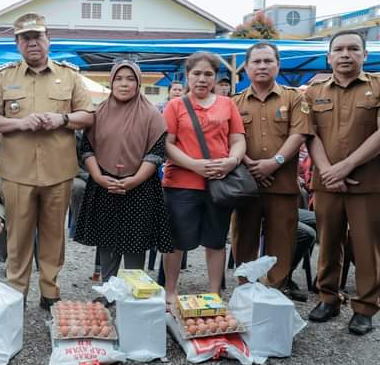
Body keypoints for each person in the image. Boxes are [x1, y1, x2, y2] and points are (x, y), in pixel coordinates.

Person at [0, 13, 94, 309]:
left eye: (37, 37)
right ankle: (16, 293)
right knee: (17, 237)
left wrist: (63, 118)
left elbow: (88, 115)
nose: (32, 43)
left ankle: (50, 292)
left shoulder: (69, 75)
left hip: (58, 172)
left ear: (48, 40)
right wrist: (19, 123)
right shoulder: (4, 76)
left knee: (53, 235)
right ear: (18, 44)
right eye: (25, 38)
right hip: (17, 173)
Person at [306, 30, 380, 335]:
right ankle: (328, 298)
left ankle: (364, 308)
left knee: (366, 246)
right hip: (326, 183)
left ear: (365, 54)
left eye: (353, 49)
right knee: (327, 243)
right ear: (329, 56)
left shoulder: (377, 87)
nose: (345, 54)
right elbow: (309, 135)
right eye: (339, 49)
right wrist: (327, 171)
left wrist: (346, 166)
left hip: (368, 183)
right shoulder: (314, 91)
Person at [74, 60, 173, 283]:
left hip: (140, 188)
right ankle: (108, 291)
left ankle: (132, 293)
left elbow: (156, 153)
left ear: (138, 84)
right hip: (103, 184)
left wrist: (133, 180)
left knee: (135, 243)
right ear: (111, 82)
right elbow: (86, 149)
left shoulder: (152, 115)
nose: (124, 84)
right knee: (106, 241)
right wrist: (99, 177)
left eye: (130, 79)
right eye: (118, 79)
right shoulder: (97, 113)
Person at [162, 51, 246, 305]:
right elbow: (166, 144)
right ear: (187, 76)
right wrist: (194, 165)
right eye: (196, 73)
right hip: (181, 184)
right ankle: (170, 291)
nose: (202, 79)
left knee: (216, 240)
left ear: (216, 77)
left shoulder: (227, 104)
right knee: (176, 241)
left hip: (219, 184)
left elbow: (238, 139)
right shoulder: (176, 105)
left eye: (208, 74)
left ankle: (214, 294)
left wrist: (232, 160)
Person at [231, 42, 313, 290]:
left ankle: (276, 292)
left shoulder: (294, 97)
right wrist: (252, 166)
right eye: (256, 61)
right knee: (244, 241)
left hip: (282, 186)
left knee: (282, 243)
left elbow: (299, 134)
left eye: (268, 61)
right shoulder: (234, 103)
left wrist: (273, 163)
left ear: (278, 64)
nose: (262, 66)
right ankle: (245, 290)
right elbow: (229, 139)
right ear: (246, 67)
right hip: (246, 186)